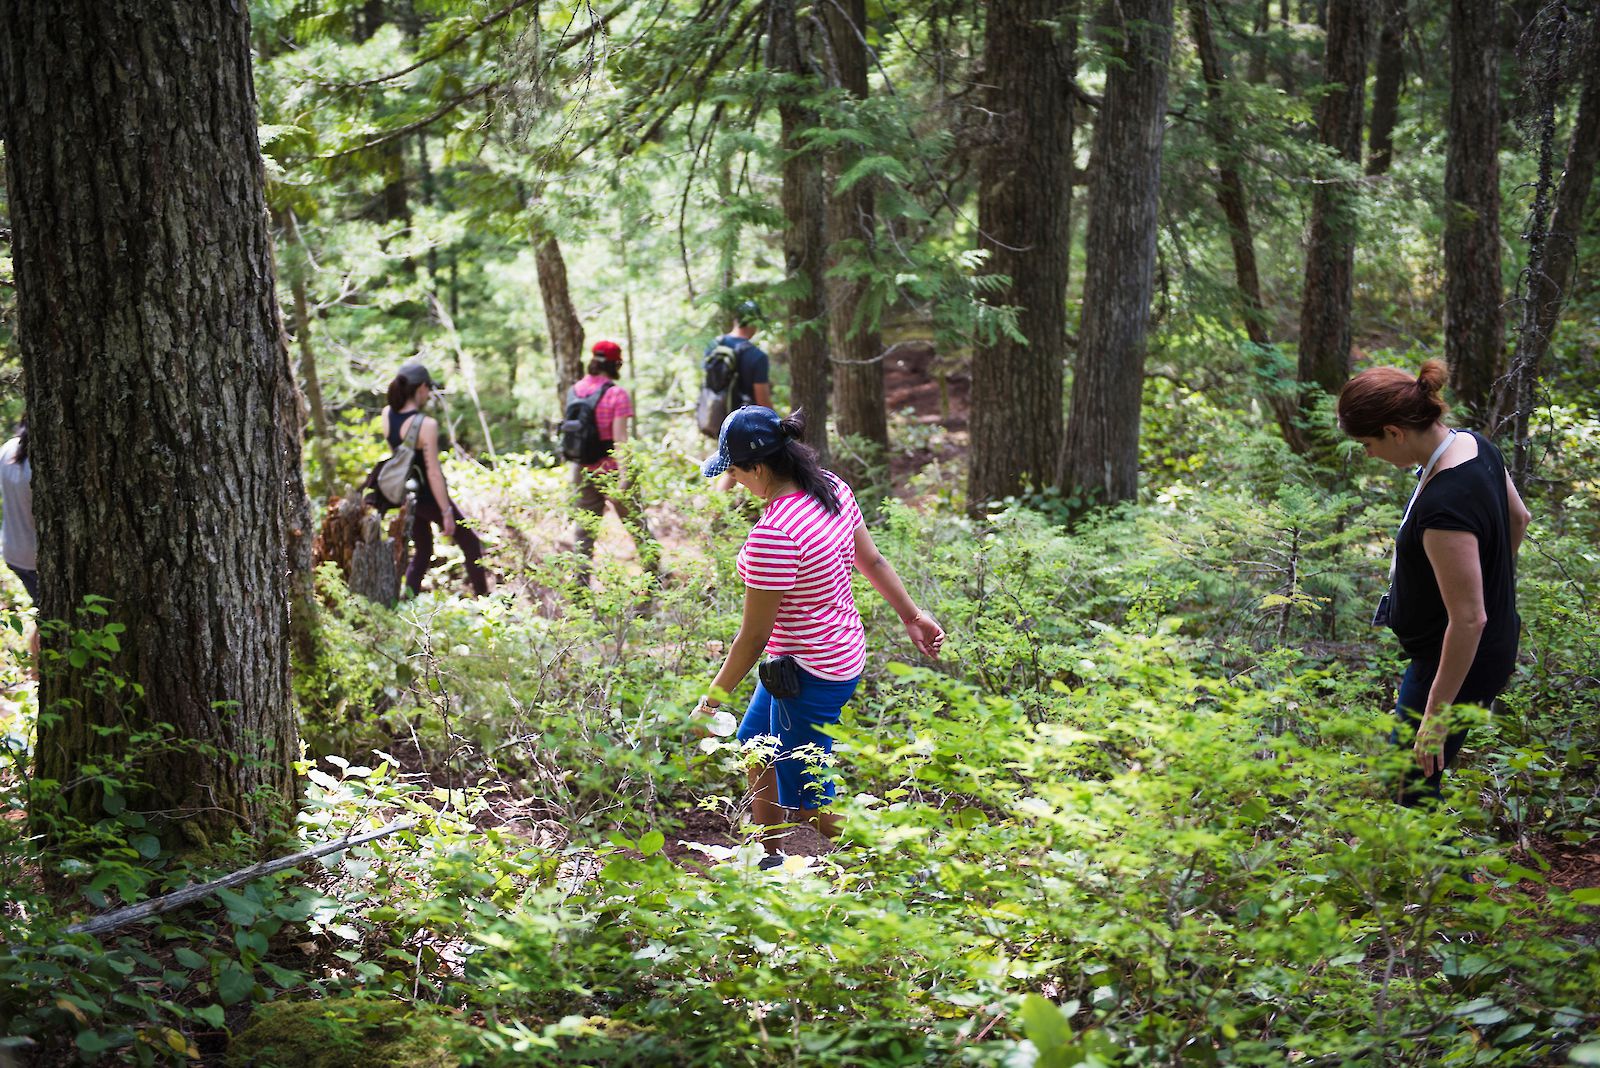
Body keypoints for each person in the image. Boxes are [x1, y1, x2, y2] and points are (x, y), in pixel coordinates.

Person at [693, 406, 944, 866]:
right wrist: (913, 616)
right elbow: (874, 561)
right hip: (831, 652)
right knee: (755, 750)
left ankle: (903, 861)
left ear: (758, 467)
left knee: (813, 808)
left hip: (810, 674)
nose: (735, 479)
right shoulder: (830, 487)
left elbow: (752, 638)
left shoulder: (775, 535)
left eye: (735, 469)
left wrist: (711, 702)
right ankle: (767, 861)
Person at [1337, 361, 1530, 805]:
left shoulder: (1444, 506)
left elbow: (1468, 620)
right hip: (1475, 647)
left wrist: (1436, 717)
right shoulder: (1474, 445)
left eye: (1368, 444)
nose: (1369, 454)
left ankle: (1446, 874)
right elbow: (1520, 517)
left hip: (1456, 658)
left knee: (1409, 784)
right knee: (1411, 779)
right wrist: (1483, 577)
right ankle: (1430, 871)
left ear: (1394, 431)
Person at [374, 361, 490, 598]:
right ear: (421, 388)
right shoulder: (425, 425)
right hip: (428, 496)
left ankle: (407, 600)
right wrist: (446, 511)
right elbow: (433, 472)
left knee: (423, 549)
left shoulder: (387, 415)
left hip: (406, 495)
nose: (428, 394)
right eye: (428, 389)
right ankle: (485, 601)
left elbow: (398, 454)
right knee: (471, 543)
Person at [569, 340, 659, 587]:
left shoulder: (576, 389)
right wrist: (625, 477)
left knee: (584, 532)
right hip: (611, 470)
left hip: (581, 469)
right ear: (615, 363)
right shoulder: (616, 394)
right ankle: (655, 578)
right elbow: (620, 439)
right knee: (637, 526)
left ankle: (579, 587)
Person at [1, 421, 40, 660]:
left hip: (14, 552)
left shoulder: (7, 449)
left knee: (46, 611)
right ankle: (39, 670)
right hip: (34, 557)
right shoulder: (37, 465)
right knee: (51, 617)